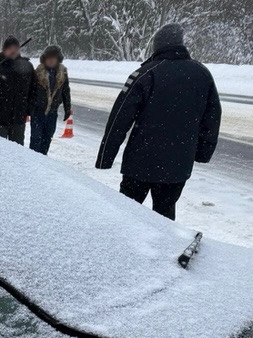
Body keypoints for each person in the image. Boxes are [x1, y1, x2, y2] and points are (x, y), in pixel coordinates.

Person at [95, 24, 221, 220]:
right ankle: (163, 239)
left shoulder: (146, 73)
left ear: (157, 46)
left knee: (126, 215)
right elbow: (212, 117)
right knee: (165, 217)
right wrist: (203, 152)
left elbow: (119, 118)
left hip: (140, 163)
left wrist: (105, 157)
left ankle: (126, 238)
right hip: (178, 166)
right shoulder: (202, 74)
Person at [0, 36, 35, 144]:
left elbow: (34, 91)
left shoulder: (27, 67)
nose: (12, 51)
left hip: (18, 119)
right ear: (4, 50)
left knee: (17, 150)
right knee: (0, 149)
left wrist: (28, 110)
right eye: (9, 48)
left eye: (15, 48)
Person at [29, 45, 72, 155]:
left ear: (58, 59)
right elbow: (30, 92)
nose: (51, 60)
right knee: (36, 139)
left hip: (52, 113)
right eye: (48, 57)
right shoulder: (37, 73)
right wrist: (29, 109)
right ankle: (32, 160)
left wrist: (67, 108)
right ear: (44, 58)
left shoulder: (62, 73)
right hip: (37, 112)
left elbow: (65, 92)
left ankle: (43, 160)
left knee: (47, 138)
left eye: (54, 57)